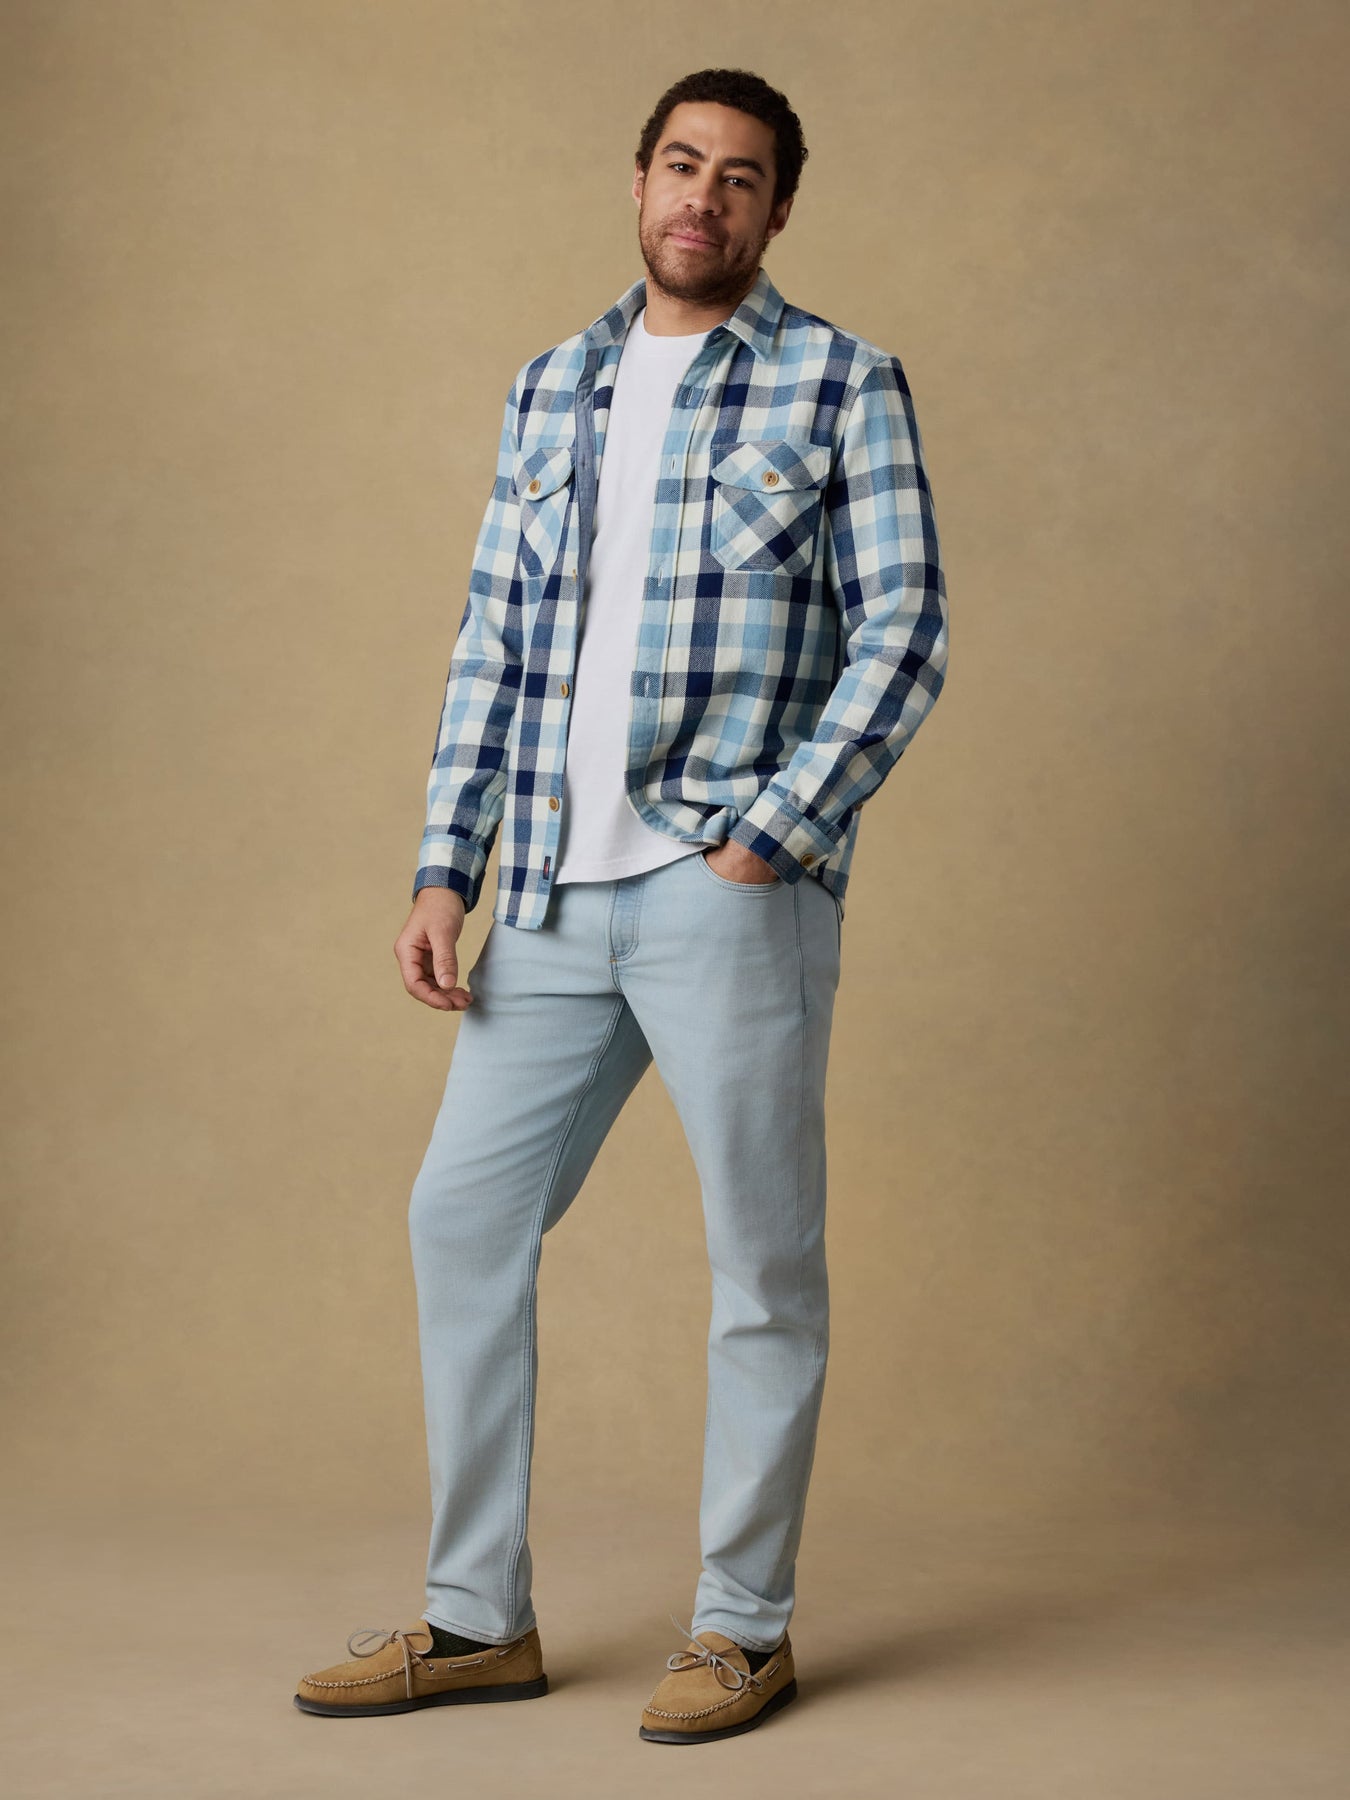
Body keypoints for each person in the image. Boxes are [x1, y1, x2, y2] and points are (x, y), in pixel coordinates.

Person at [294, 65, 948, 1744]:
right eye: (680, 163)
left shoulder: (838, 380)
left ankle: (740, 1629)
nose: (702, 198)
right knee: (461, 1219)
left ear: (777, 208)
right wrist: (445, 866)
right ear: (638, 179)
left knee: (761, 1268)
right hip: (545, 892)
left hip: (723, 887)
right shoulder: (552, 384)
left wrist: (769, 836)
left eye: (740, 177)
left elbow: (903, 632)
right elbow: (492, 644)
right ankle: (473, 1619)